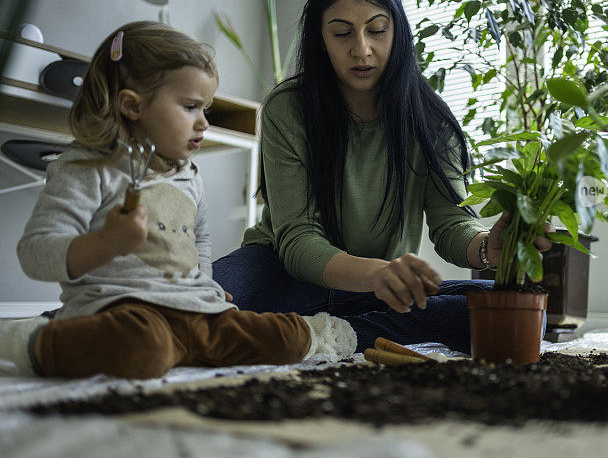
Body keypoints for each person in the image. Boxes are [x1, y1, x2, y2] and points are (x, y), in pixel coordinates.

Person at [212, 0, 553, 355]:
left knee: (520, 309)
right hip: (283, 273)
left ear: (397, 30)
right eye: (342, 33)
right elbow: (300, 241)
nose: (362, 49)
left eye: (377, 30)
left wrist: (485, 248)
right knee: (197, 301)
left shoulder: (430, 119)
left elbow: (450, 223)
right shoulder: (288, 109)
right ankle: (317, 330)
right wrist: (378, 274)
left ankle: (320, 333)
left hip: (374, 288)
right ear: (320, 38)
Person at [0, 21, 355, 379]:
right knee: (146, 348)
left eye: (207, 109)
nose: (204, 124)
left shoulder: (188, 176)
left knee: (281, 339)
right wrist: (105, 243)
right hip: (121, 310)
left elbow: (199, 238)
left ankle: (314, 337)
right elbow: (36, 253)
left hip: (191, 310)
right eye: (190, 107)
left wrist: (206, 285)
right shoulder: (84, 168)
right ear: (131, 105)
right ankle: (32, 341)